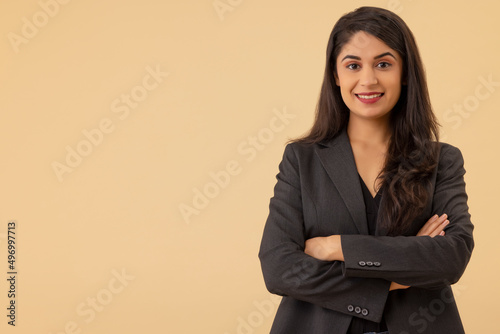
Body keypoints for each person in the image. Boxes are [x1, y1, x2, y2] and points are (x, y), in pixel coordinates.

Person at [258, 6, 474, 334]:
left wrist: (336, 247)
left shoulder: (441, 161)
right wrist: (395, 278)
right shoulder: (302, 160)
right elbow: (279, 268)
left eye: (383, 64)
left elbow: (451, 257)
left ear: (404, 73)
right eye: (353, 65)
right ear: (335, 74)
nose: (368, 79)